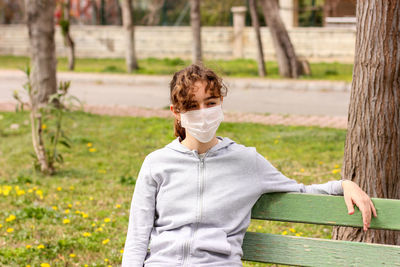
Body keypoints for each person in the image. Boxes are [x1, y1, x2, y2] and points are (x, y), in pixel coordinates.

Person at [122, 64, 377, 267]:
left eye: (210, 103)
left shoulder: (247, 162)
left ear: (220, 103)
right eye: (191, 106)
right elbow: (137, 235)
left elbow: (298, 191)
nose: (203, 111)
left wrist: (344, 184)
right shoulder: (156, 163)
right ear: (176, 112)